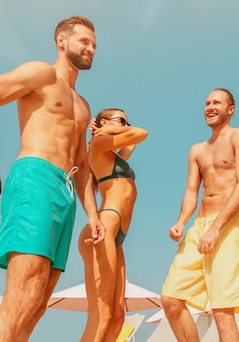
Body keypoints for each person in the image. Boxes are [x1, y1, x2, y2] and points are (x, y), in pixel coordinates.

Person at [0, 16, 105, 342]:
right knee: (23, 297)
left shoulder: (83, 106)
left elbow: (81, 163)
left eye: (94, 44)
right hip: (35, 177)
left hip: (65, 192)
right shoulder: (42, 73)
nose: (91, 48)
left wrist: (93, 214)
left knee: (37, 304)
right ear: (62, 41)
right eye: (84, 40)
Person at [161, 88, 239, 342]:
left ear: (230, 109)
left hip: (229, 227)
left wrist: (216, 228)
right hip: (199, 227)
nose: (210, 107)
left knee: (222, 311)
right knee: (170, 300)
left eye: (217, 103)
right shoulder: (197, 150)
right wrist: (181, 221)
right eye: (207, 103)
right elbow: (192, 192)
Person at [78, 108, 148, 342]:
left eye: (127, 121)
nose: (125, 124)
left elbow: (133, 142)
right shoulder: (97, 147)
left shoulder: (112, 156)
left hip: (117, 236)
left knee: (117, 317)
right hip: (104, 226)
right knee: (101, 316)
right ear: (104, 123)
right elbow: (140, 133)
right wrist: (106, 129)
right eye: (121, 120)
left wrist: (114, 126)